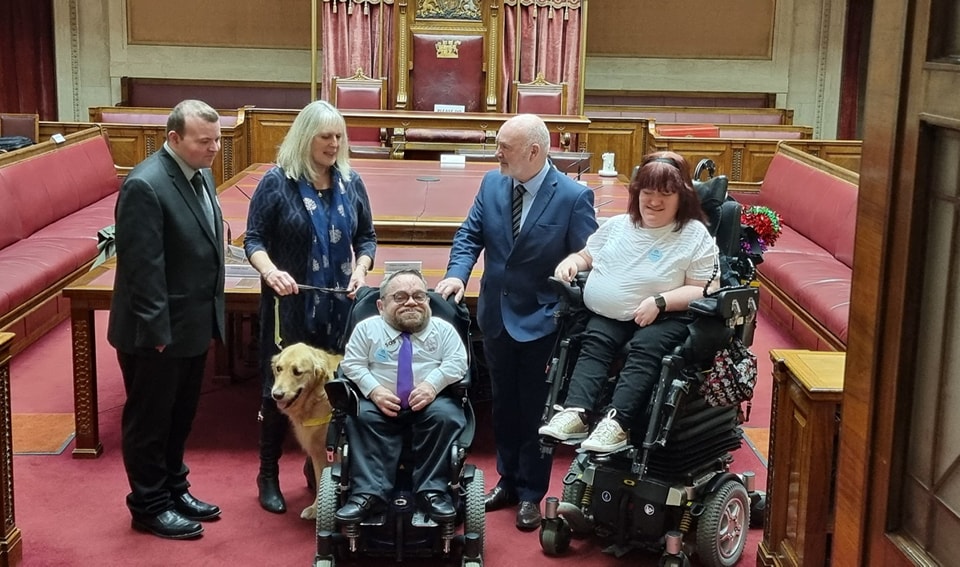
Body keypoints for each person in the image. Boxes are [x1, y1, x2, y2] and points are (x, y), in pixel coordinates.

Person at [434, 114, 598, 531]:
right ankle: (507, 481)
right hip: (495, 317)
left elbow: (588, 258)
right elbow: (470, 235)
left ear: (534, 151)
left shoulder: (574, 197)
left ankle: (531, 493)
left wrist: (573, 270)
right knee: (504, 405)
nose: (497, 153)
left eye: (505, 147)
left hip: (543, 321)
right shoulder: (492, 183)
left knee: (535, 412)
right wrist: (457, 272)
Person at [244, 99, 377, 514]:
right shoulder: (276, 182)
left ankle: (316, 468)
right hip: (291, 307)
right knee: (279, 391)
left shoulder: (350, 182)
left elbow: (368, 238)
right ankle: (268, 473)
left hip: (337, 308)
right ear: (306, 138)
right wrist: (270, 272)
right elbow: (253, 239)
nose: (334, 143)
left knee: (325, 392)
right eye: (325, 136)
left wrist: (362, 269)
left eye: (339, 136)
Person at [539, 151, 719, 453]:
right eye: (647, 193)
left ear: (682, 197)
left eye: (665, 194)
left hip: (667, 316)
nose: (654, 201)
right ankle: (576, 412)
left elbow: (706, 289)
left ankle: (617, 423)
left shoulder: (694, 235)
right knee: (594, 339)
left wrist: (661, 302)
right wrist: (572, 262)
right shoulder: (619, 225)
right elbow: (587, 256)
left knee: (646, 346)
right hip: (611, 314)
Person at [107, 99, 226, 539]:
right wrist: (157, 332)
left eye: (216, 139)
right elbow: (141, 268)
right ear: (174, 138)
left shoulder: (200, 173)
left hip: (191, 324)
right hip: (155, 332)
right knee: (150, 422)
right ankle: (149, 506)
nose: (214, 148)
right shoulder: (145, 185)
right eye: (204, 141)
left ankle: (175, 489)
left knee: (180, 416)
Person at [335, 269, 468, 523]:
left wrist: (432, 385)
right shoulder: (366, 329)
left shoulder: (443, 330)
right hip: (379, 401)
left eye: (419, 296)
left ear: (428, 302)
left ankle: (432, 491)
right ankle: (368, 493)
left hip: (431, 401)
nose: (411, 302)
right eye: (400, 297)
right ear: (381, 304)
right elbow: (352, 364)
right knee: (360, 416)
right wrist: (374, 390)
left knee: (446, 416)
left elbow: (457, 363)